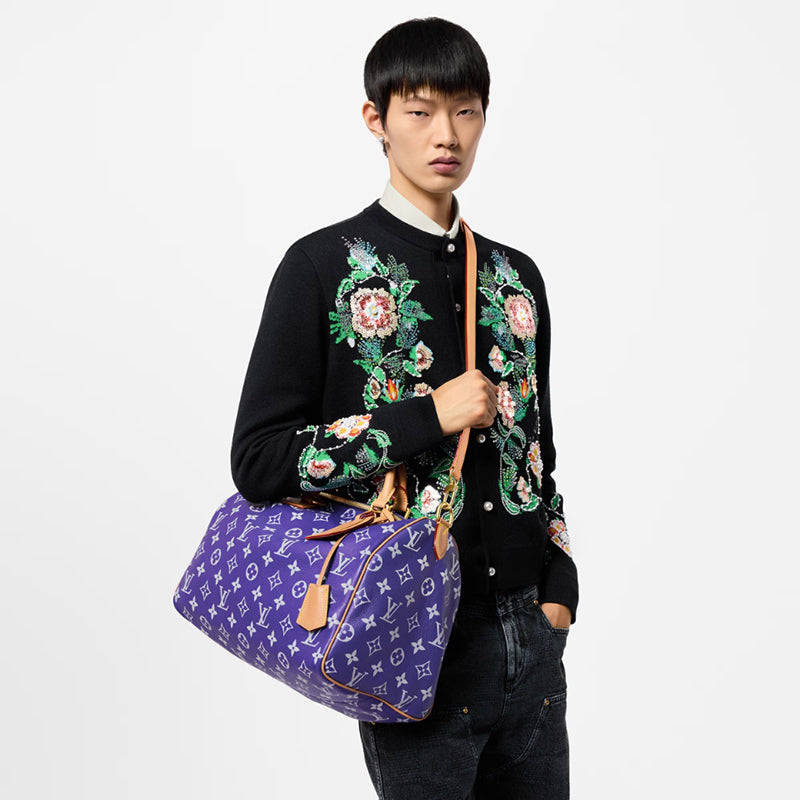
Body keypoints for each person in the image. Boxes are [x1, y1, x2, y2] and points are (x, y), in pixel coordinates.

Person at [231, 16, 578, 800]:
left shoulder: (516, 279)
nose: (446, 134)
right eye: (419, 111)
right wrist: (426, 416)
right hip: (414, 632)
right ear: (376, 119)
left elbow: (537, 452)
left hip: (531, 639)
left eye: (466, 111)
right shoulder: (321, 266)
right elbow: (259, 460)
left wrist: (559, 585)